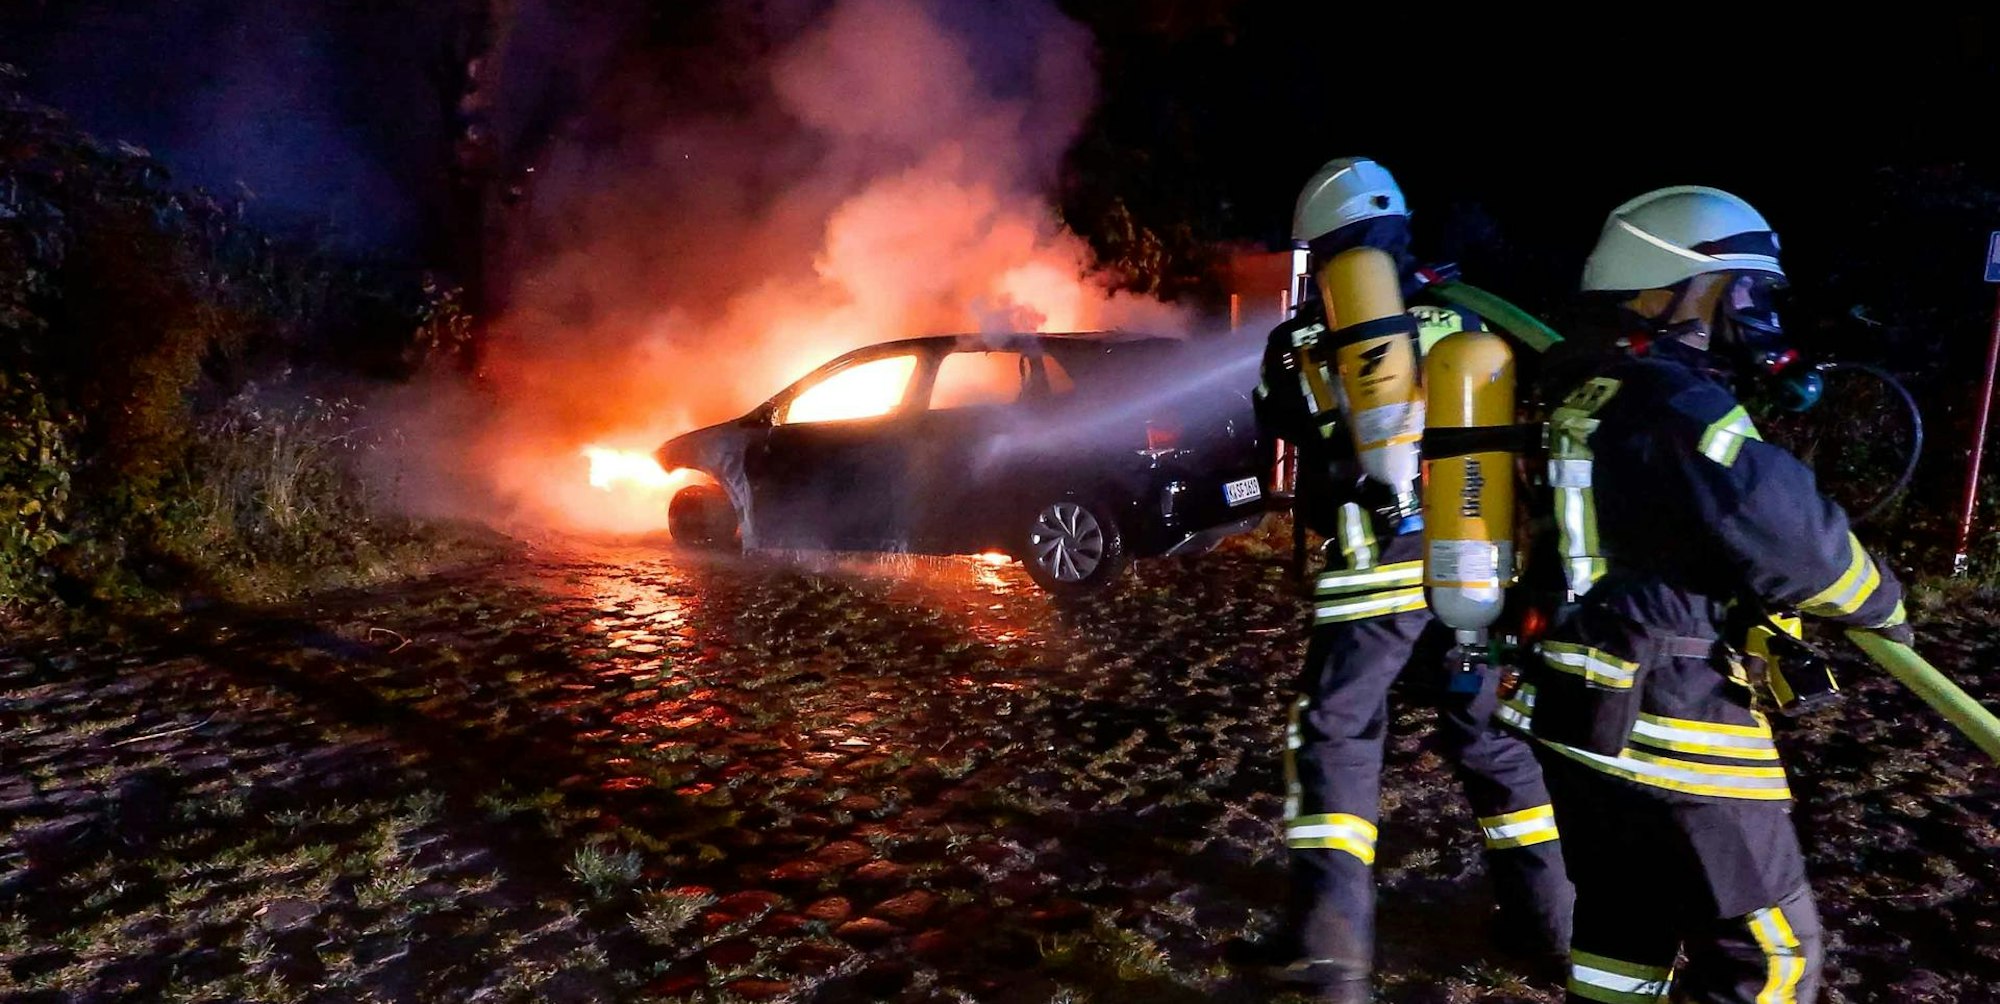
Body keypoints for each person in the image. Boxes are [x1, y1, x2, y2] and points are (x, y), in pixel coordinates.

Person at [1509, 186, 1912, 1004]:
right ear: (1680, 288)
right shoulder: (1676, 404)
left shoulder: (1587, 388)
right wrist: (1883, 607)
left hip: (1574, 710)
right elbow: (1792, 537)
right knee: (1769, 958)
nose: (1758, 313)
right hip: (1670, 722)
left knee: (1623, 929)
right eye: (1748, 290)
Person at [1232, 157, 1573, 1003]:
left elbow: (1278, 414)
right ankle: (1551, 928)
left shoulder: (1305, 339)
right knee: (1489, 740)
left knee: (1336, 738)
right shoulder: (1464, 314)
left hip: (1373, 577)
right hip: (1475, 565)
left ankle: (1330, 955)